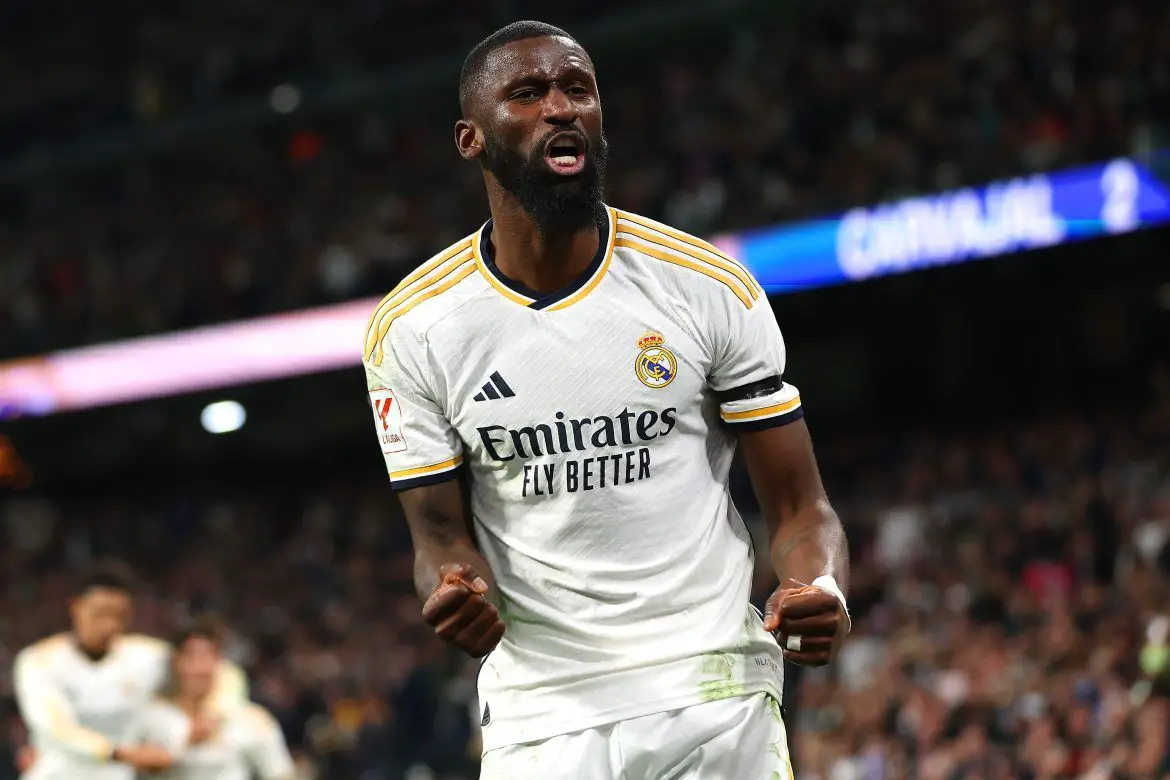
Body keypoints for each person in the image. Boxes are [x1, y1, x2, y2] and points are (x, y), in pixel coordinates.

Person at [361, 20, 850, 779]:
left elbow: (801, 508)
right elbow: (438, 541)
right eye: (528, 94)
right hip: (542, 717)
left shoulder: (706, 287)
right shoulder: (414, 329)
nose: (561, 107)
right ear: (470, 139)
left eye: (578, 89)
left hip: (712, 693)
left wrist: (816, 585)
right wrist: (452, 591)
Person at [13, 560, 249, 780]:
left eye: (119, 616)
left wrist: (214, 714)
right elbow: (55, 729)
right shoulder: (38, 662)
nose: (108, 625)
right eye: (99, 613)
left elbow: (225, 673)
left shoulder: (145, 657)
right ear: (75, 607)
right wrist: (120, 753)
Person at [127, 616, 295, 780]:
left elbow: (279, 773)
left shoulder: (250, 720)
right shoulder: (151, 718)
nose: (202, 668)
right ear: (175, 662)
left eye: (211, 657)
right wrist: (184, 744)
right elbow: (128, 763)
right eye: (193, 657)